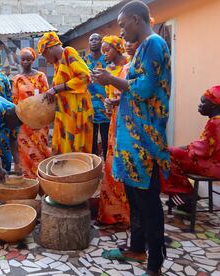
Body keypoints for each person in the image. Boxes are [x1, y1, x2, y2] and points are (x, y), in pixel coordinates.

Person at [91, 1, 171, 275]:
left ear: (137, 19)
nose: (121, 33)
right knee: (134, 197)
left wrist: (110, 81)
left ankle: (155, 262)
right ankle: (137, 248)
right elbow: (135, 91)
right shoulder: (141, 49)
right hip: (131, 138)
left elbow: (146, 88)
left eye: (123, 26)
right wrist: (117, 100)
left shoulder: (154, 44)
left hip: (145, 140)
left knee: (148, 201)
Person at [162, 86, 220, 213]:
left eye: (203, 102)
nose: (200, 105)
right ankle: (185, 198)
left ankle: (185, 193)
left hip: (214, 167)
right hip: (214, 164)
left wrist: (185, 149)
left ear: (214, 106)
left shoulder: (215, 123)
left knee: (167, 154)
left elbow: (203, 150)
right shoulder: (216, 121)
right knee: (173, 153)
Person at [38, 32, 93, 154]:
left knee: (76, 148)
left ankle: (78, 172)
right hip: (66, 111)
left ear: (50, 47)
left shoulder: (68, 52)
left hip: (77, 109)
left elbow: (85, 76)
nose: (46, 60)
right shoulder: (57, 63)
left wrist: (55, 89)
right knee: (64, 148)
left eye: (44, 55)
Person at [97, 35, 130, 226]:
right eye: (103, 51)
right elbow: (111, 97)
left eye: (107, 50)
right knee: (111, 165)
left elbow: (132, 93)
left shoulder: (128, 68)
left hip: (127, 122)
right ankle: (111, 212)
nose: (104, 54)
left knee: (121, 163)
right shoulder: (109, 71)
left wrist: (116, 102)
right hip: (114, 121)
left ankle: (124, 213)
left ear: (118, 49)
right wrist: (108, 103)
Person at [12, 47, 51, 178]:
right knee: (25, 152)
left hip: (40, 121)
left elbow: (47, 97)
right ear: (20, 61)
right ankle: (28, 179)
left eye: (29, 59)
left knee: (41, 150)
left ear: (33, 60)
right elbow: (15, 101)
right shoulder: (17, 79)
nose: (26, 62)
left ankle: (42, 179)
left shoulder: (41, 76)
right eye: (23, 59)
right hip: (24, 122)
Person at [84, 33, 110, 158]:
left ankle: (106, 165)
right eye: (91, 39)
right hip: (89, 104)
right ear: (88, 43)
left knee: (106, 138)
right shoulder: (84, 61)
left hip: (105, 104)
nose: (93, 41)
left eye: (96, 39)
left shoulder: (106, 60)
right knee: (91, 139)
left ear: (101, 42)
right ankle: (93, 166)